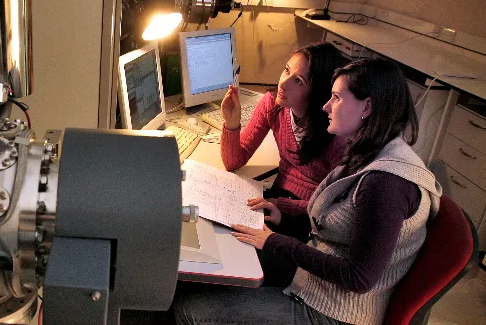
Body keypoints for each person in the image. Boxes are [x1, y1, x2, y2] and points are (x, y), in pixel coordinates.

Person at [174, 58, 442, 325]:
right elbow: (342, 220)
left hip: (335, 310)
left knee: (190, 310)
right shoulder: (371, 149)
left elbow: (359, 278)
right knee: (215, 262)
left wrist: (277, 242)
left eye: (336, 98)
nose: (326, 106)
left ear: (367, 107)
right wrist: (285, 216)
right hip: (317, 276)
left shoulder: (386, 183)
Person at [221, 42, 348, 235]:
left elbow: (336, 205)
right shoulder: (272, 105)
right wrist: (231, 124)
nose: (283, 83)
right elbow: (233, 162)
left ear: (318, 92)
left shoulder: (337, 134)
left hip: (310, 216)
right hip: (277, 198)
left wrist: (283, 206)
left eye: (298, 81)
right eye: (286, 71)